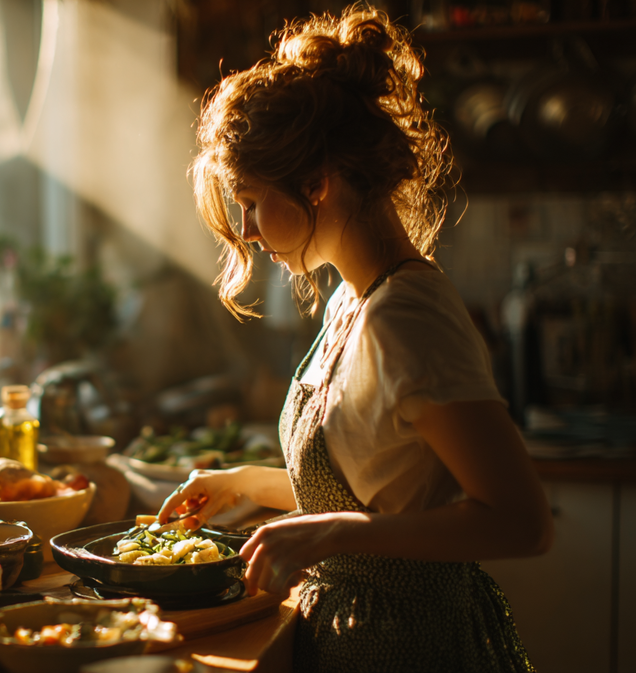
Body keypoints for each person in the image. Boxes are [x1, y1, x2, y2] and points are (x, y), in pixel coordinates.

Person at [158, 4, 553, 671]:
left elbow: (522, 521)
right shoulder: (353, 298)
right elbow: (384, 487)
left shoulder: (407, 318)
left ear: (318, 183)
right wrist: (245, 483)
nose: (247, 229)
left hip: (413, 646)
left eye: (251, 200)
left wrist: (333, 533)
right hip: (353, 634)